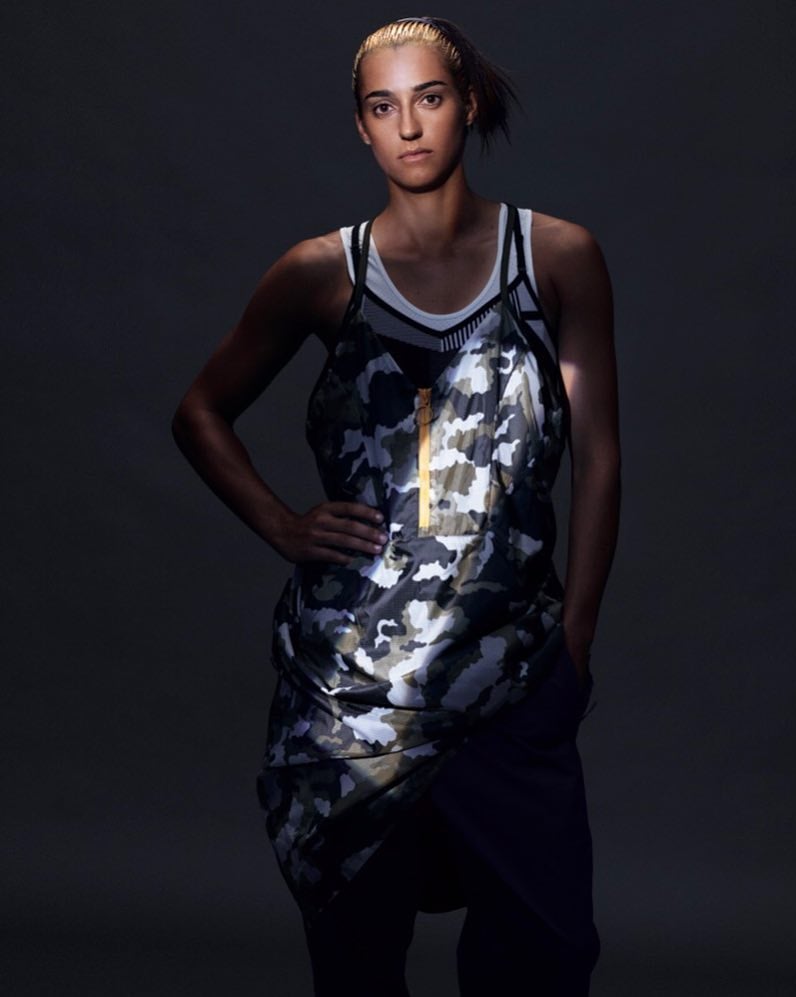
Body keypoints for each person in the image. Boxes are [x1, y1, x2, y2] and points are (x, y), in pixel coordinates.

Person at [172, 15, 621, 996]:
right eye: (383, 106)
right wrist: (284, 525)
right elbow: (199, 411)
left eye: (428, 98)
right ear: (361, 127)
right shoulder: (318, 272)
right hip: (350, 694)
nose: (408, 126)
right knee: (357, 962)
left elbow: (598, 459)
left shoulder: (554, 256)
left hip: (507, 676)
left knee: (543, 956)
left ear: (469, 105)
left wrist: (575, 639)